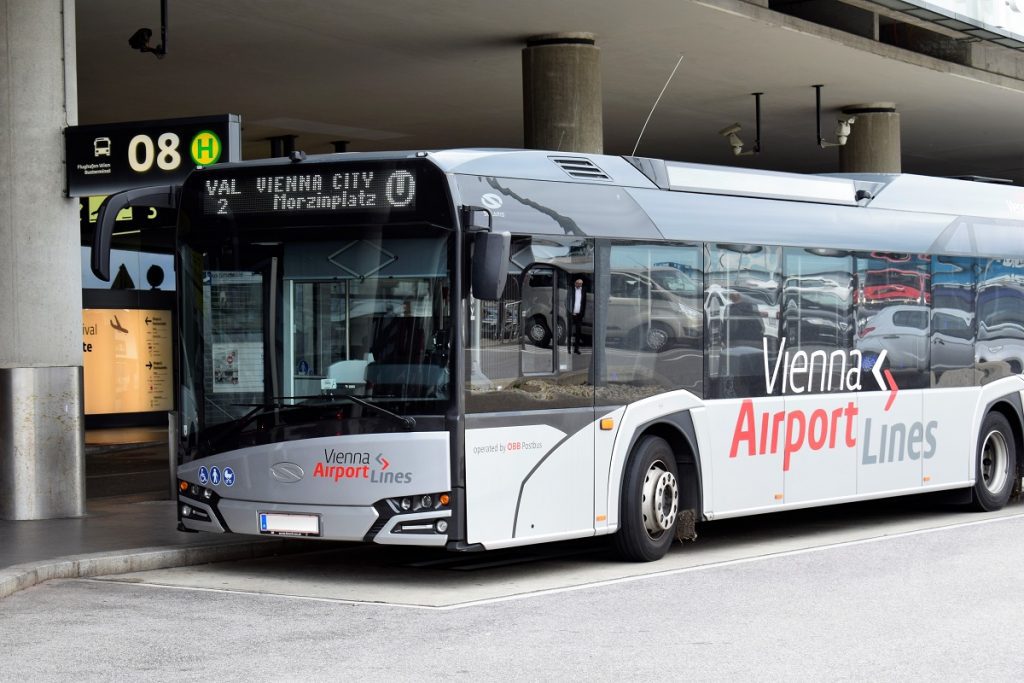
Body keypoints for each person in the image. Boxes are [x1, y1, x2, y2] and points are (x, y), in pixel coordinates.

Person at [567, 277, 586, 354]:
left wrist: (582, 313)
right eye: (578, 283)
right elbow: (567, 301)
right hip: (572, 314)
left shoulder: (583, 290)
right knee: (570, 332)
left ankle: (576, 349)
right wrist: (570, 311)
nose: (579, 285)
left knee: (578, 333)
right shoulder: (571, 290)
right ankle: (568, 349)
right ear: (575, 283)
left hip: (579, 315)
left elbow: (584, 303)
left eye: (581, 284)